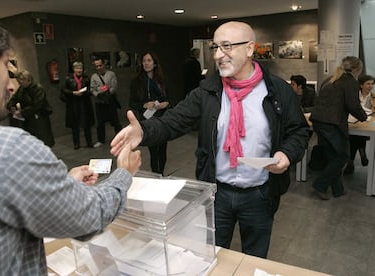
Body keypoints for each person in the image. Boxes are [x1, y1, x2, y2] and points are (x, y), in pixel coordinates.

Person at [0, 8, 142, 275]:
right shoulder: (9, 150)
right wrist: (124, 172)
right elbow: (90, 217)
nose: (10, 85)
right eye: (6, 67)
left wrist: (60, 185)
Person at [112, 21, 309, 258]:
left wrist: (285, 154)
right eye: (215, 48)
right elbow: (173, 120)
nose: (218, 55)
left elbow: (298, 131)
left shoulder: (278, 91)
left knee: (255, 257)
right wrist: (143, 132)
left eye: (226, 47)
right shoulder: (208, 91)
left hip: (260, 194)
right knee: (211, 256)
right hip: (217, 194)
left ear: (249, 49)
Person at [310, 56, 367, 200]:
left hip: (319, 121)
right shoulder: (350, 82)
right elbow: (353, 105)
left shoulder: (330, 79)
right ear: (357, 70)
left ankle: (338, 189)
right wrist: (364, 117)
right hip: (332, 124)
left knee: (333, 156)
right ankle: (320, 185)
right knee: (343, 156)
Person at [128, 51, 171, 175]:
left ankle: (161, 174)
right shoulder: (136, 81)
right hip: (148, 120)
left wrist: (166, 104)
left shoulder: (162, 80)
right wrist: (144, 105)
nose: (146, 63)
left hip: (163, 118)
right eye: (144, 61)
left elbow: (170, 98)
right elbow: (131, 102)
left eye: (149, 60)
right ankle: (156, 174)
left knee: (162, 149)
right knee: (153, 150)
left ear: (155, 63)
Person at [6, 70, 55, 147]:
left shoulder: (37, 89)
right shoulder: (21, 89)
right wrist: (11, 106)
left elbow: (37, 105)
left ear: (27, 79)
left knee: (42, 141)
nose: (19, 83)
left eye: (20, 81)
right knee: (32, 141)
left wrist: (22, 112)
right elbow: (14, 99)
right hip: (28, 119)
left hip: (39, 118)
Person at [344, 74, 375, 174]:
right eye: (368, 84)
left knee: (355, 138)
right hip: (352, 122)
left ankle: (350, 162)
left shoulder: (374, 97)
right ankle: (362, 153)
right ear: (361, 85)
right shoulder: (354, 95)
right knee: (356, 136)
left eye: (372, 84)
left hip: (367, 124)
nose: (370, 86)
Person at [62, 61, 95, 149]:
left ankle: (89, 142)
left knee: (87, 124)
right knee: (74, 125)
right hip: (73, 104)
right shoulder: (68, 78)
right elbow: (64, 90)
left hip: (84, 103)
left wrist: (84, 93)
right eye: (77, 68)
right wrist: (73, 92)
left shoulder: (86, 78)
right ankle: (76, 144)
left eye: (80, 68)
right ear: (74, 69)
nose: (79, 70)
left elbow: (91, 90)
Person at [90, 57, 122, 147]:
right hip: (99, 102)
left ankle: (120, 139)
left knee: (115, 122)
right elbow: (92, 89)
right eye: (96, 66)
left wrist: (107, 94)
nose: (99, 67)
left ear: (104, 64)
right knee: (100, 123)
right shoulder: (94, 76)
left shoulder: (111, 74)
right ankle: (101, 140)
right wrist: (98, 94)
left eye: (100, 65)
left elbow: (114, 86)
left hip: (110, 101)